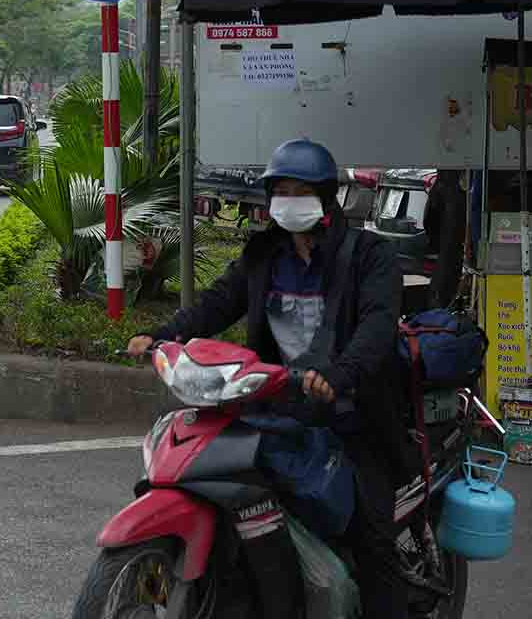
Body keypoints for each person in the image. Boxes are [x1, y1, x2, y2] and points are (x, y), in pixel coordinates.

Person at [126, 138, 407, 619]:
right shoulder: (263, 255)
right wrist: (160, 335)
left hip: (352, 413)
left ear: (326, 197)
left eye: (301, 189)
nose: (289, 199)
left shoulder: (369, 255)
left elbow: (377, 326)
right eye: (282, 189)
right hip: (276, 406)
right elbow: (217, 303)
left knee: (373, 540)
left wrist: (340, 375)